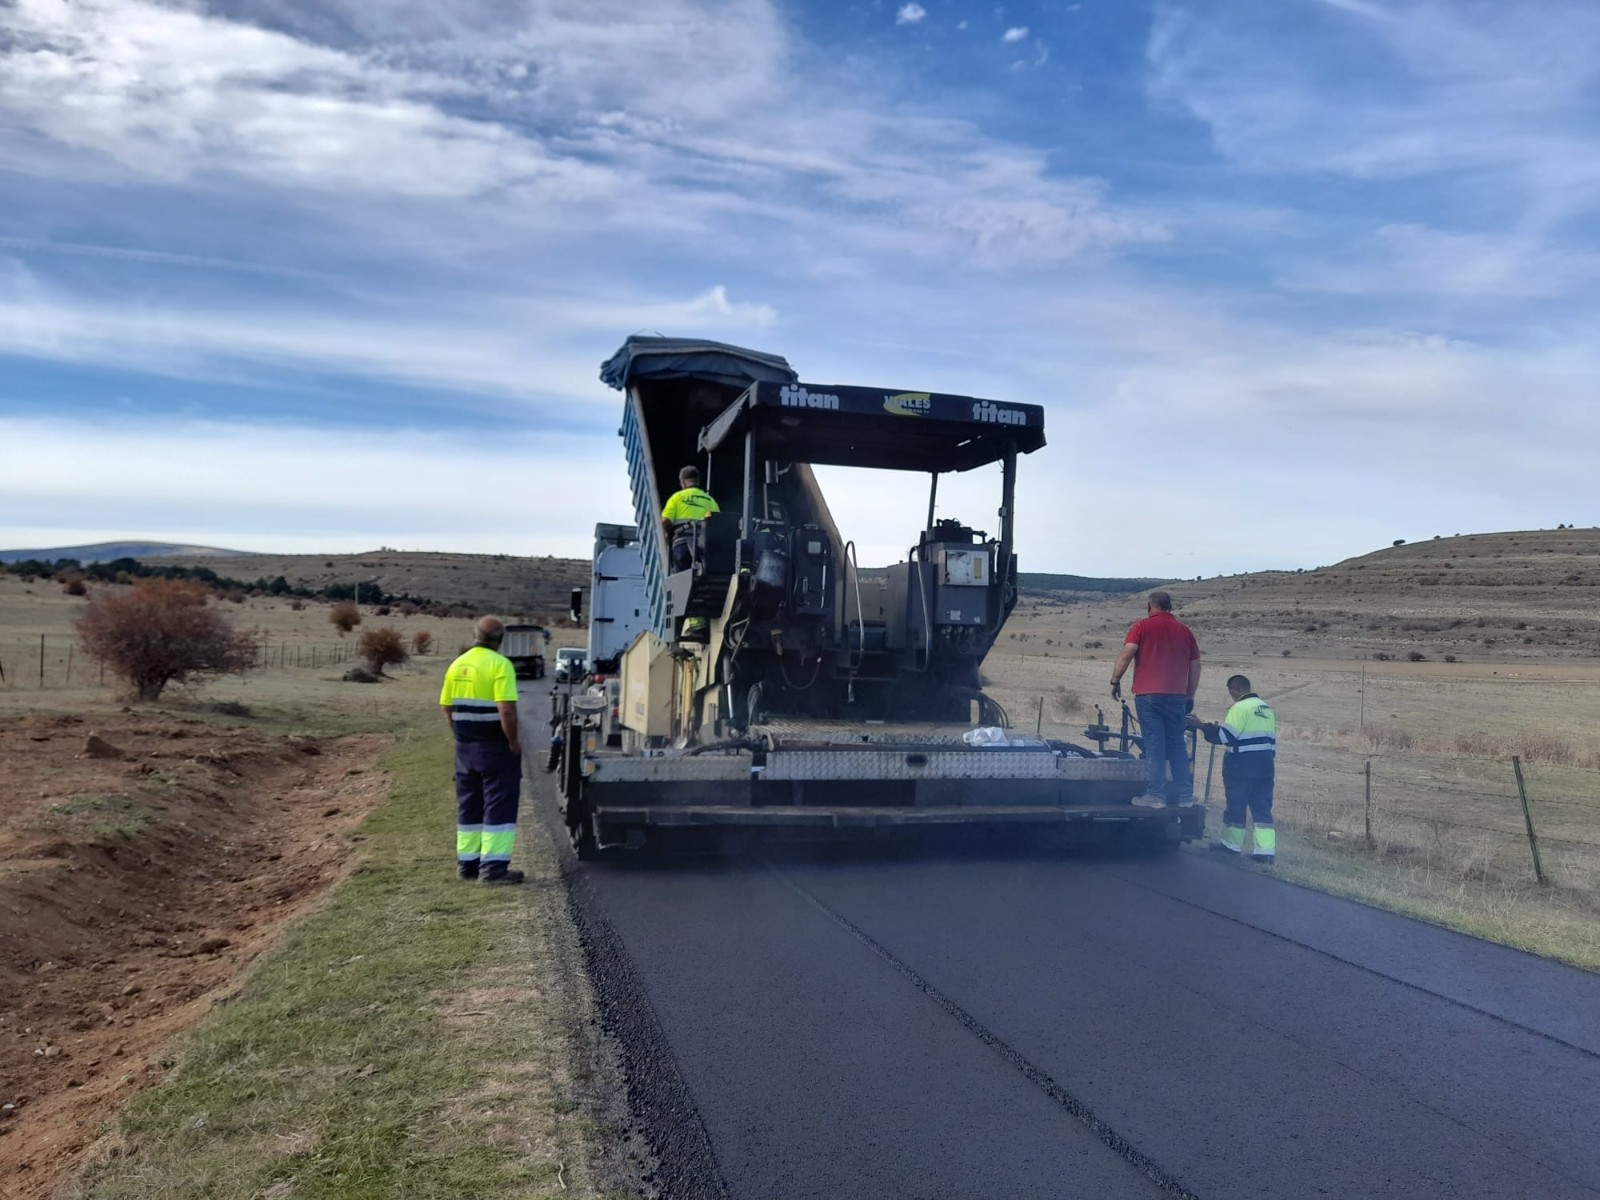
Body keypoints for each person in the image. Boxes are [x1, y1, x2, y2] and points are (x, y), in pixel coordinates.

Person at [440, 616, 524, 885]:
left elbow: (446, 706)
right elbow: (507, 710)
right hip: (494, 748)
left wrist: (458, 733)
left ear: (475, 635)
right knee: (498, 804)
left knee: (469, 805)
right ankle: (494, 870)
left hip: (465, 748)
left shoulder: (457, 664)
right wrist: (512, 741)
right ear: (500, 639)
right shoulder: (500, 665)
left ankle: (468, 865)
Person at [1109, 590, 1201, 806]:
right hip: (1177, 696)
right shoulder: (1185, 631)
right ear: (1170, 607)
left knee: (1155, 745)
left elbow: (1126, 654)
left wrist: (1115, 681)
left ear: (1150, 607)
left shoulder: (1142, 626)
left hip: (1148, 696)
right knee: (1177, 745)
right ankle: (1185, 796)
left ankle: (1156, 795)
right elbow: (1195, 665)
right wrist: (1190, 694)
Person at [1192, 675, 1277, 864]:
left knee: (1236, 807)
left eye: (1230, 692)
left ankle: (1231, 846)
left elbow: (1225, 736)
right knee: (1262, 810)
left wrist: (1202, 726)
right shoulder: (1266, 709)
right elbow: (1271, 742)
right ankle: (1265, 853)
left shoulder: (1239, 708)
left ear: (1235, 690)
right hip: (1265, 768)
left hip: (1241, 768)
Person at [661, 465, 720, 637]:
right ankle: (703, 618)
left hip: (682, 545)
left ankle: (687, 622)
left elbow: (665, 521)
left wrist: (667, 535)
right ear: (698, 481)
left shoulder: (677, 497)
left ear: (683, 482)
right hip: (703, 546)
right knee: (703, 581)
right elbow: (717, 523)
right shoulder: (709, 500)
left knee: (682, 582)